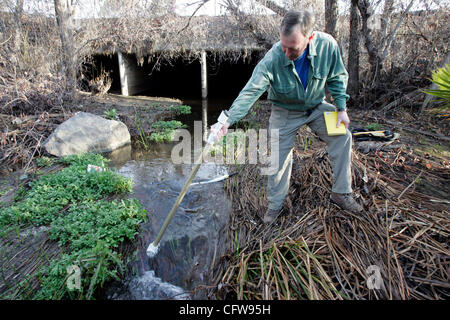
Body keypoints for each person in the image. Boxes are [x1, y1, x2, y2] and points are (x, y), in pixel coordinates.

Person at [211, 10, 363, 223]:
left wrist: (341, 108)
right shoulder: (273, 57)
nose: (286, 52)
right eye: (283, 45)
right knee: (279, 159)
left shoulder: (328, 45)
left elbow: (338, 77)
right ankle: (276, 207)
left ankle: (341, 192)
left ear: (309, 38)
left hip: (316, 106)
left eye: (292, 48)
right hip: (285, 111)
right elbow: (251, 91)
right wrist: (226, 120)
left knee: (343, 137)